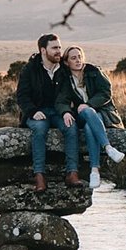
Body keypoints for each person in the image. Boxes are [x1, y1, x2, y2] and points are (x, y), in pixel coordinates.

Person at [14, 33, 80, 192]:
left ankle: (72, 173)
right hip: (37, 112)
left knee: (71, 128)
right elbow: (22, 96)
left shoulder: (64, 69)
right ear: (43, 50)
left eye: (59, 47)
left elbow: (69, 93)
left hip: (59, 111)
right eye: (55, 48)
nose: (59, 51)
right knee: (40, 129)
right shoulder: (30, 69)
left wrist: (66, 111)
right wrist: (33, 111)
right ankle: (40, 177)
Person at [58, 45, 126, 188]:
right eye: (73, 58)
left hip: (103, 113)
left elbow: (105, 93)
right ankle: (108, 147)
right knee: (87, 113)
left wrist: (89, 104)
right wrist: (65, 112)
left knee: (90, 127)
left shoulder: (94, 71)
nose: (78, 60)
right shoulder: (65, 79)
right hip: (82, 115)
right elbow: (61, 100)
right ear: (66, 62)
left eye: (80, 57)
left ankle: (94, 171)